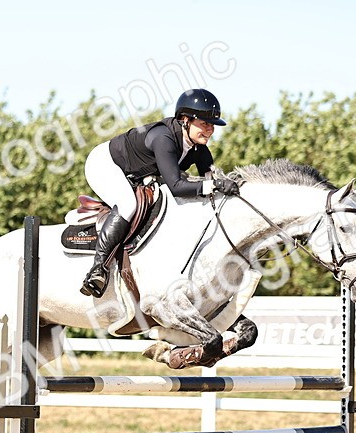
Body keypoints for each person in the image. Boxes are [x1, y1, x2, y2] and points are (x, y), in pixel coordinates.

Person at [80, 88, 240, 297]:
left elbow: (211, 183)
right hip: (105, 164)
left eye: (212, 125)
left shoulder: (200, 149)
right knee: (128, 204)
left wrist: (227, 186)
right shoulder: (164, 138)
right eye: (204, 124)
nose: (210, 130)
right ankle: (97, 269)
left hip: (136, 173)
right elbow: (177, 186)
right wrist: (215, 185)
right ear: (185, 119)